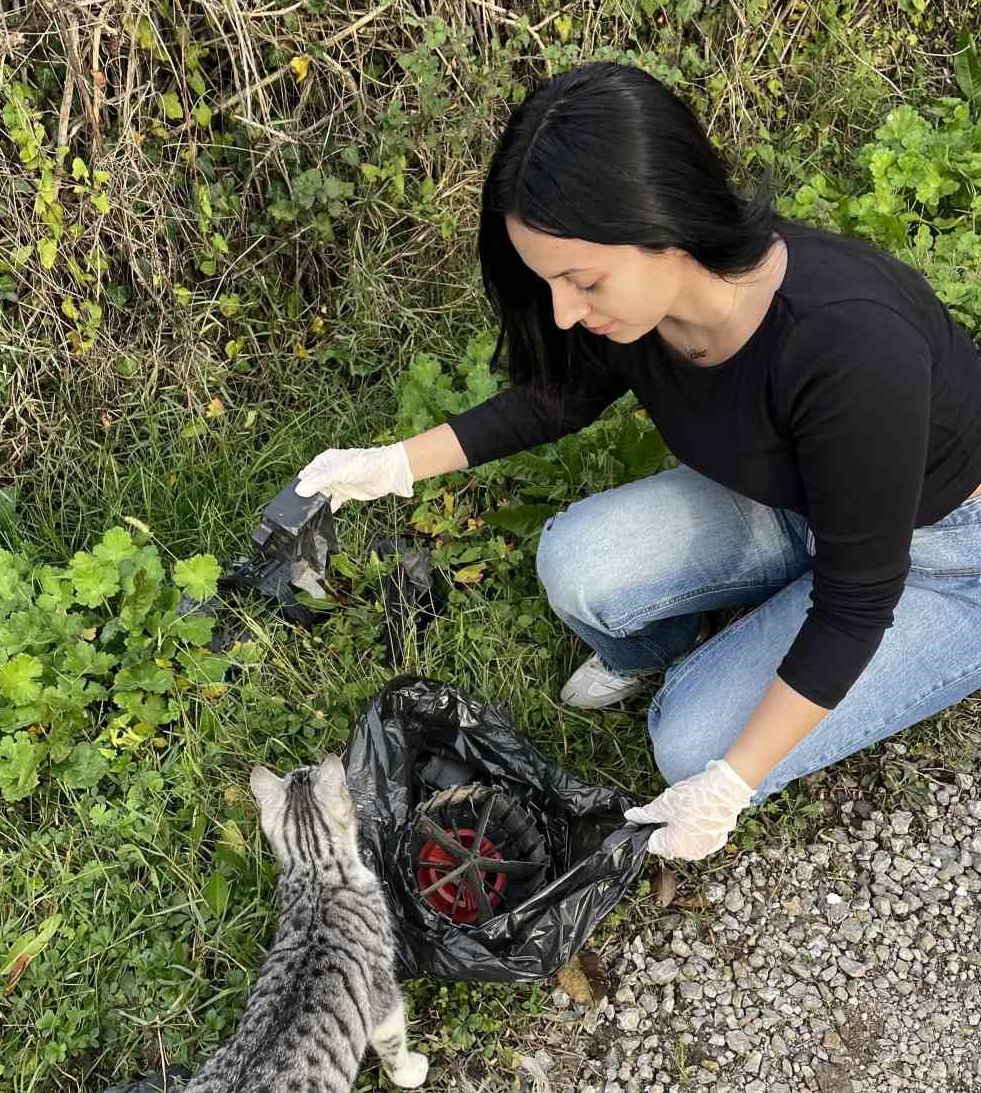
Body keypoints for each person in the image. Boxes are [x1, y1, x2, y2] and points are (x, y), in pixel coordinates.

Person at [295, 62, 981, 861]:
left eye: (580, 281)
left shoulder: (846, 342)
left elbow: (859, 599)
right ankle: (689, 641)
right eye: (548, 282)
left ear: (661, 225)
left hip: (940, 555)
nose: (562, 310)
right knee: (579, 562)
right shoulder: (642, 311)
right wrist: (393, 464)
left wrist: (729, 783)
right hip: (796, 501)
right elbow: (555, 399)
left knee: (691, 746)